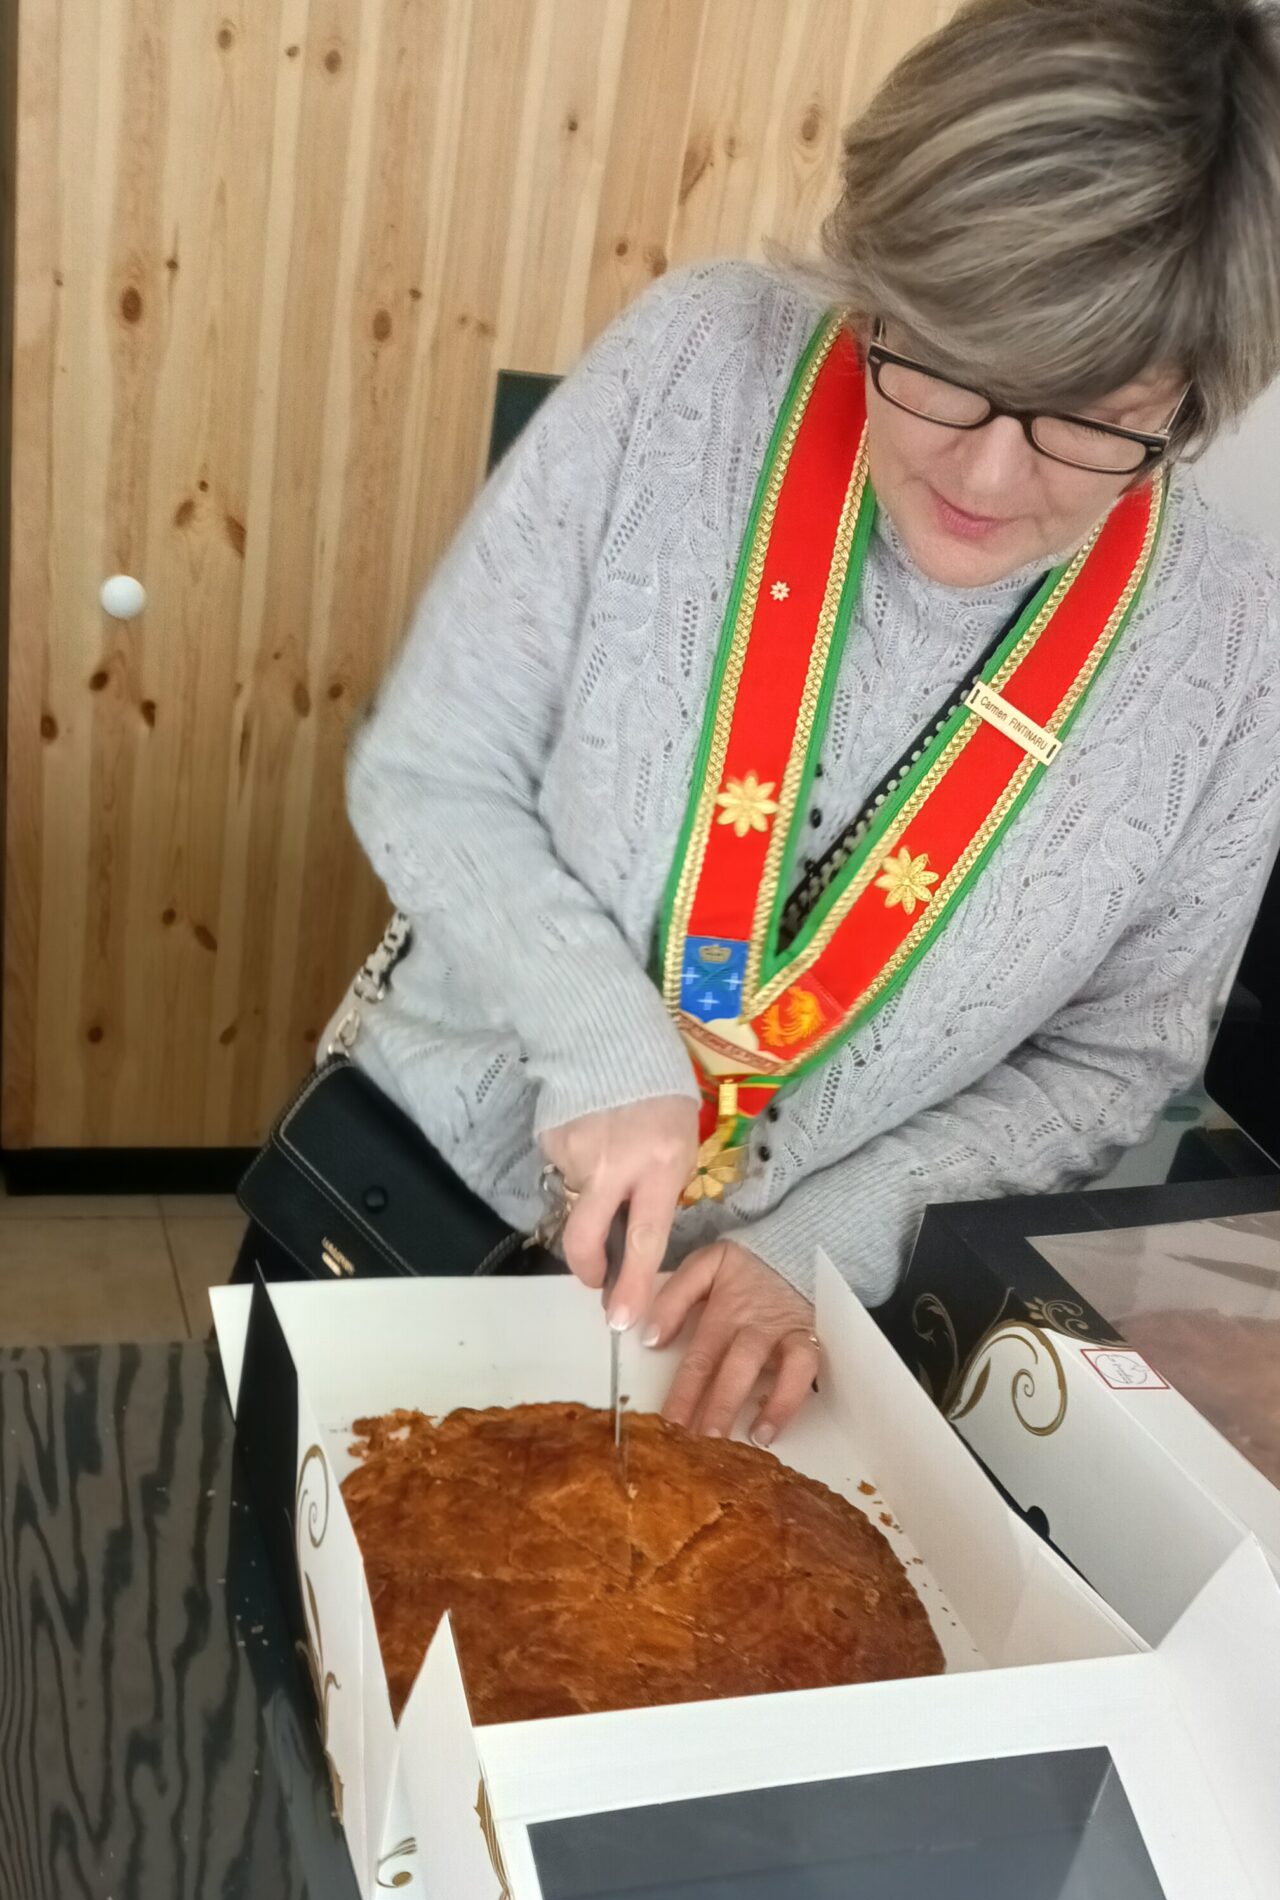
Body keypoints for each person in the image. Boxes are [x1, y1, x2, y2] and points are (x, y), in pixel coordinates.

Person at [340, 0, 1280, 1446]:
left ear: (1197, 399)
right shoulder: (696, 364)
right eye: (945, 360)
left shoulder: (1234, 654)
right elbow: (432, 770)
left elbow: (1115, 1059)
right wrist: (596, 1032)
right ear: (875, 276)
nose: (987, 473)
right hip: (406, 1204)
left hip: (755, 1341)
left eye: (1093, 417)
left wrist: (833, 1232)